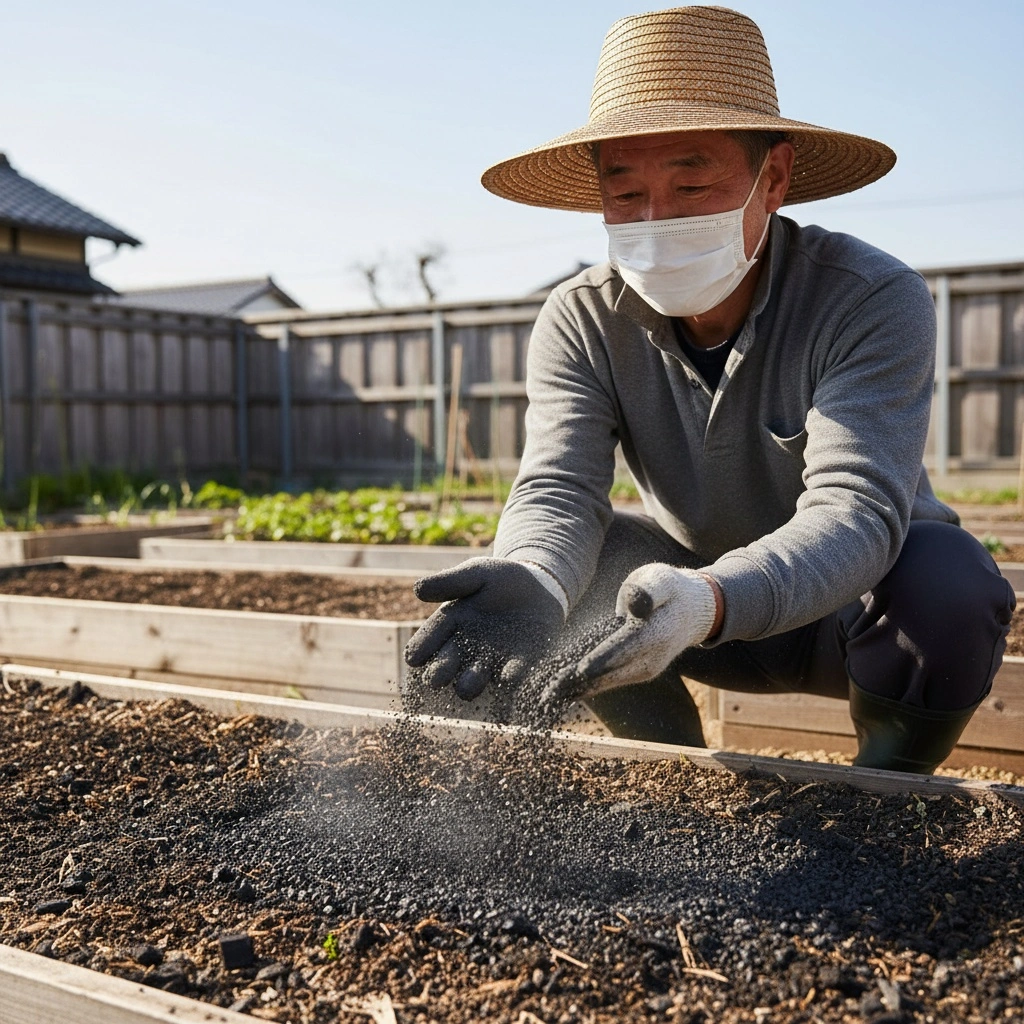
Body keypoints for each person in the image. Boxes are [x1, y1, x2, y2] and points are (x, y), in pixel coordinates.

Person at [404, 5, 1015, 775]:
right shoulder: (584, 316)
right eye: (626, 196)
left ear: (776, 179)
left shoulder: (868, 296)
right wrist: (534, 575)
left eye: (692, 184)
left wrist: (710, 598)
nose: (657, 222)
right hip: (663, 617)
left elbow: (855, 510)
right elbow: (559, 486)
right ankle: (670, 775)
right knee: (580, 558)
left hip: (852, 618)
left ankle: (883, 793)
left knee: (949, 579)